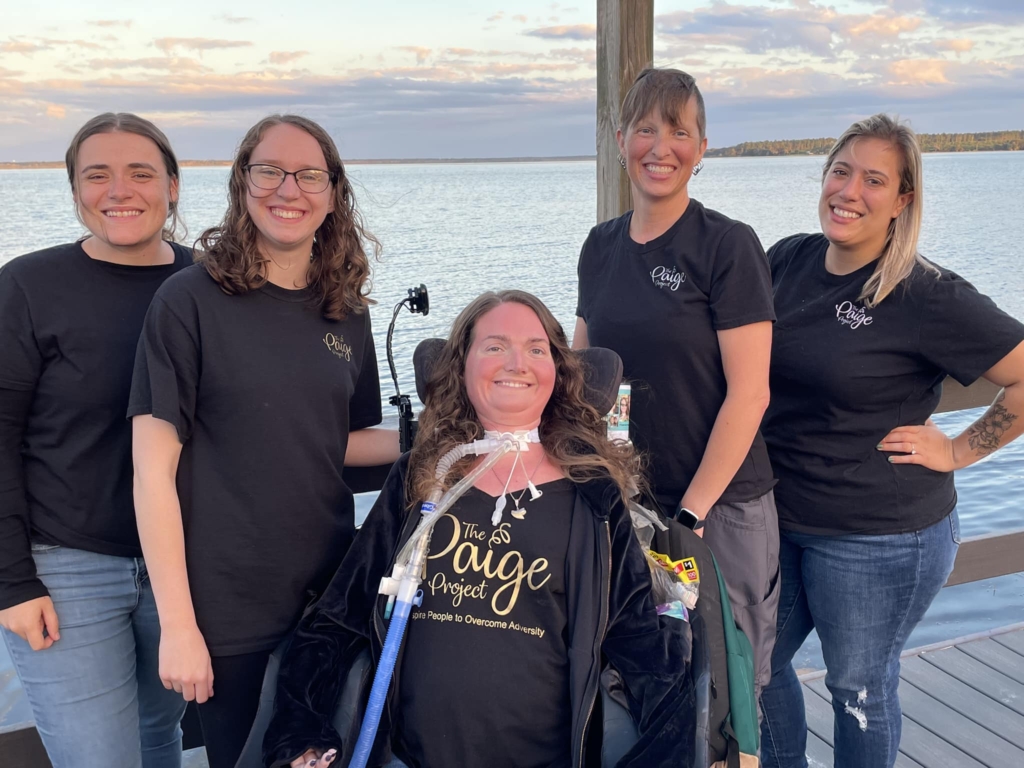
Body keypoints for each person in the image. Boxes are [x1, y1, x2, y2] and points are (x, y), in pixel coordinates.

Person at [262, 290, 696, 768]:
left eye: (537, 348)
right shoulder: (421, 478)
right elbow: (337, 619)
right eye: (494, 346)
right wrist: (300, 734)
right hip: (407, 757)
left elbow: (642, 646)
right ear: (461, 367)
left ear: (557, 370)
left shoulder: (593, 496)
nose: (517, 362)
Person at [128, 114, 399, 768]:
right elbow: (152, 473)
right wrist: (180, 627)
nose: (289, 188)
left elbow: (338, 443)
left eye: (310, 174)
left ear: (333, 192)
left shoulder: (346, 308)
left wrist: (457, 436)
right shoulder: (188, 300)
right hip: (228, 613)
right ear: (241, 182)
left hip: (330, 603)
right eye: (270, 170)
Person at [758, 114, 1024, 768]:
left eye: (874, 179)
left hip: (878, 538)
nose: (850, 190)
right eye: (840, 171)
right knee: (751, 663)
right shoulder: (787, 259)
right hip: (779, 517)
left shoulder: (927, 294)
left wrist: (958, 450)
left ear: (903, 200)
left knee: (857, 688)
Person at [573, 67, 779, 702]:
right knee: (643, 686)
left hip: (719, 509)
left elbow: (751, 393)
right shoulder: (600, 246)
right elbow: (586, 377)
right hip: (630, 507)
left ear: (702, 148)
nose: (660, 148)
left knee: (732, 691)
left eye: (679, 132)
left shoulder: (726, 246)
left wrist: (692, 512)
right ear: (619, 139)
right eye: (645, 129)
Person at [0, 113, 191, 768]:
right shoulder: (27, 286)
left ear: (172, 185)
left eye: (140, 172)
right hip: (65, 566)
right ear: (75, 190)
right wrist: (11, 583)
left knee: (157, 737)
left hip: (185, 566)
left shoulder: (213, 286)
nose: (120, 190)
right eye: (97, 174)